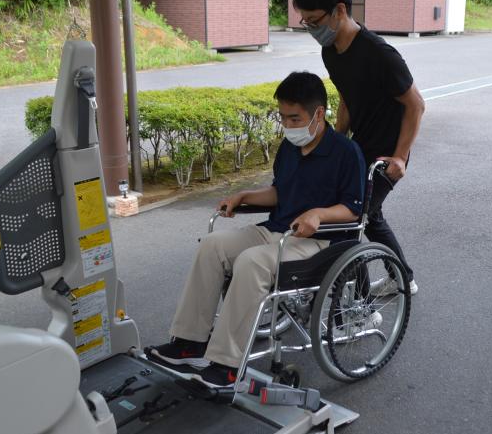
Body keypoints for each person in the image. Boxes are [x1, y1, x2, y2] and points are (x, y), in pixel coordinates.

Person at [146, 71, 365, 387]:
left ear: (319, 114)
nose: (288, 126)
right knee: (212, 245)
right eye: (283, 119)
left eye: (294, 118)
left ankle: (227, 366)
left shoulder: (346, 153)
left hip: (317, 242)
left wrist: (318, 214)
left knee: (251, 262)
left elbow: (354, 210)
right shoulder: (290, 148)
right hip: (276, 230)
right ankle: (189, 343)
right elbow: (280, 192)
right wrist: (244, 196)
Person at [293, 0, 425, 295]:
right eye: (305, 22)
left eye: (314, 21)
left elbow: (416, 106)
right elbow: (348, 99)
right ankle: (404, 278)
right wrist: (335, 140)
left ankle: (360, 306)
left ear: (339, 11)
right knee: (370, 214)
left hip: (387, 154)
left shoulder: (381, 54)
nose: (311, 29)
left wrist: (400, 157)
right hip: (359, 147)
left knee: (350, 221)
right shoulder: (331, 52)